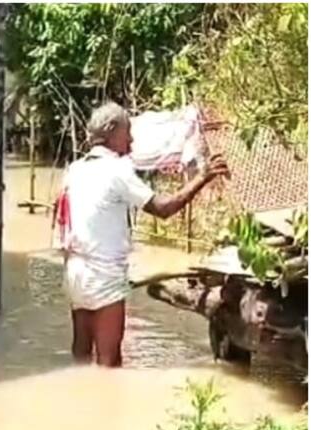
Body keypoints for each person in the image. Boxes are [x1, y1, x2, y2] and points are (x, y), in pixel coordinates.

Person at [60, 102, 229, 367]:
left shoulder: (74, 170)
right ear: (112, 131)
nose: (131, 139)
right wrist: (202, 177)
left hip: (75, 271)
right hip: (105, 274)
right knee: (109, 361)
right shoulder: (116, 170)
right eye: (128, 131)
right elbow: (163, 208)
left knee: (81, 351)